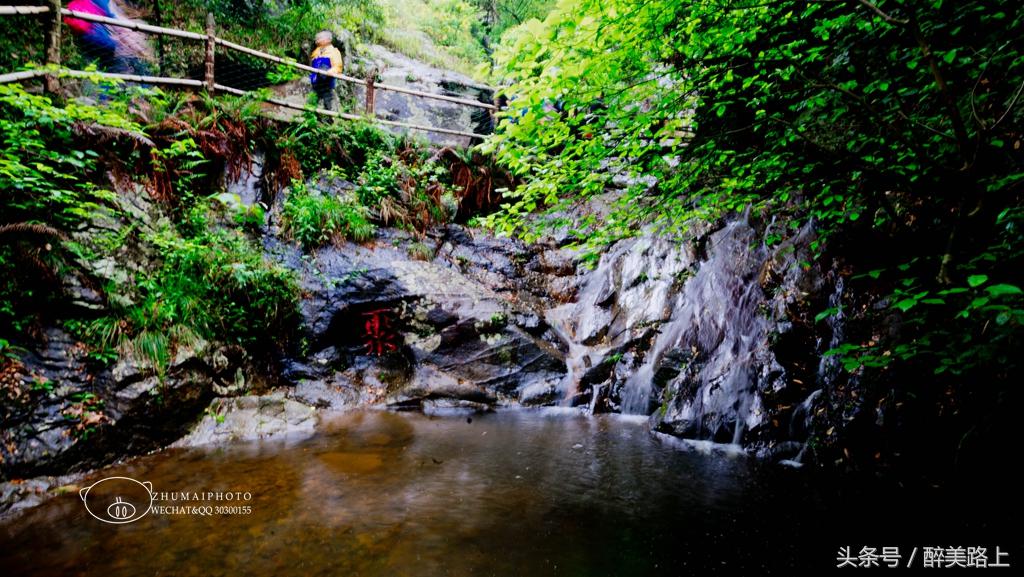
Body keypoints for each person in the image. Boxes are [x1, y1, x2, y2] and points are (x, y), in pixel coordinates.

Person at [309, 30, 343, 112]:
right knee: (312, 102)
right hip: (315, 82)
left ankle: (330, 119)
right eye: (317, 38)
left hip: (326, 83)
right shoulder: (315, 52)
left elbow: (338, 66)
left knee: (328, 104)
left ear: (328, 40)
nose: (317, 39)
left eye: (320, 38)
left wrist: (330, 71)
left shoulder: (334, 51)